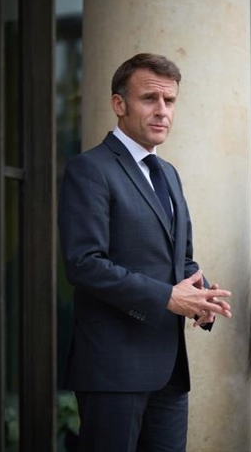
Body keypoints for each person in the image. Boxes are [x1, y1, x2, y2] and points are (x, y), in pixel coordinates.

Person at [58, 53, 232, 451]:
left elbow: (179, 259)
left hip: (169, 371)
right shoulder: (90, 169)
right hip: (112, 370)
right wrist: (168, 297)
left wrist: (199, 294)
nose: (162, 111)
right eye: (149, 98)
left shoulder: (168, 173)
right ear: (119, 104)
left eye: (169, 102)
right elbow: (83, 264)